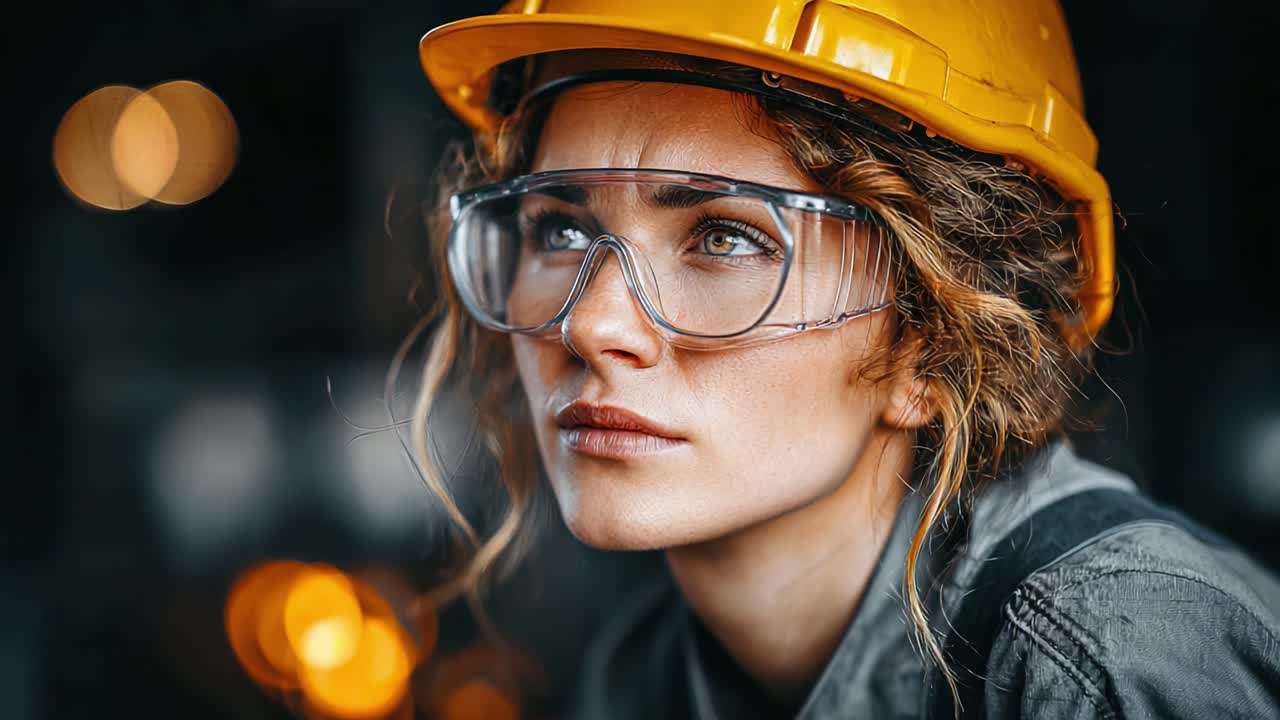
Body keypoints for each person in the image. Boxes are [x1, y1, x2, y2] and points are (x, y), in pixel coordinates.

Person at [410, 1, 1280, 717]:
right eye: (560, 229)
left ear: (934, 344)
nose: (594, 326)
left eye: (725, 238)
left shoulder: (1112, 658)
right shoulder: (640, 681)